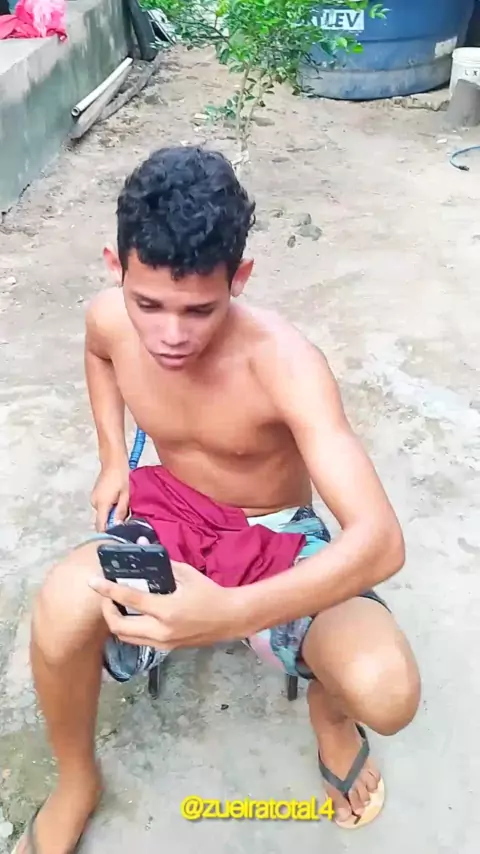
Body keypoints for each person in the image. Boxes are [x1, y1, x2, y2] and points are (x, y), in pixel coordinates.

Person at [16, 146, 420, 853]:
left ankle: (329, 713)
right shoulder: (110, 320)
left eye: (200, 309)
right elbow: (99, 354)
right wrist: (113, 459)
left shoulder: (285, 364)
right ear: (116, 268)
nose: (171, 335)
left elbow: (381, 541)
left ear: (240, 278)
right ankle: (76, 778)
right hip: (170, 513)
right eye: (148, 304)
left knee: (386, 691)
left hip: (273, 535)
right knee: (58, 609)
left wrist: (228, 614)